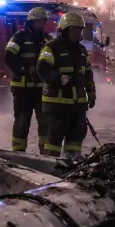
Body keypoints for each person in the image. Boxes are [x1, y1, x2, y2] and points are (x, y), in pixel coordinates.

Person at [37, 12, 96, 159]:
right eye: (74, 30)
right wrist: (58, 78)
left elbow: (87, 74)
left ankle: (71, 163)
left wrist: (91, 93)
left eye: (79, 30)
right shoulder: (51, 48)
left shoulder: (81, 51)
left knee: (76, 137)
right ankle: (52, 166)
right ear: (64, 30)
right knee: (54, 137)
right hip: (57, 105)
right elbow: (42, 69)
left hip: (78, 105)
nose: (77, 34)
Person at [3, 7, 51, 153]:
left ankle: (45, 154)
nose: (40, 24)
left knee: (45, 123)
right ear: (30, 22)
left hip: (42, 91)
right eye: (37, 21)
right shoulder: (18, 38)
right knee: (22, 123)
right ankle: (19, 153)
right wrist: (23, 69)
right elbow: (8, 57)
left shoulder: (48, 40)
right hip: (22, 90)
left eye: (42, 22)